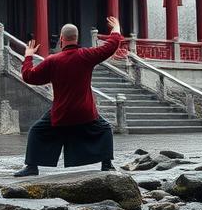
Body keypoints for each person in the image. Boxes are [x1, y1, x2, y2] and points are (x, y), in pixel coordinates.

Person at [14, 16, 123, 177]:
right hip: (85, 112)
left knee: (36, 131)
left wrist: (28, 56)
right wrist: (116, 28)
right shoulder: (87, 55)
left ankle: (32, 167)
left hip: (61, 113)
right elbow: (111, 45)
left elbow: (29, 76)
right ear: (77, 38)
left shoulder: (53, 60)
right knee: (105, 129)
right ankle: (107, 164)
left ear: (61, 39)